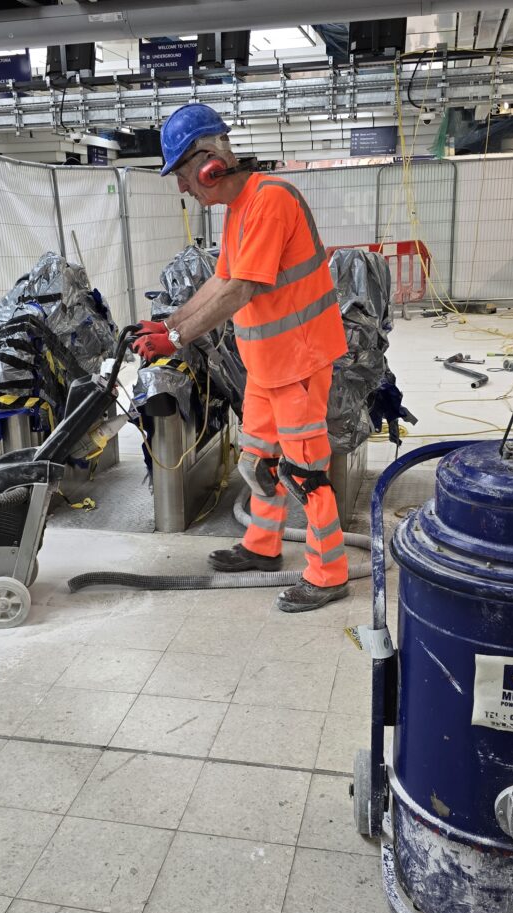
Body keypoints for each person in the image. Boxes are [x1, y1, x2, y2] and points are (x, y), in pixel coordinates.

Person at [131, 103, 349, 613]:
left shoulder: (270, 200)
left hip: (298, 360)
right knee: (259, 461)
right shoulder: (239, 210)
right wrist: (168, 324)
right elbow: (220, 280)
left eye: (185, 175)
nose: (184, 188)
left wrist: (177, 339)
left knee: (304, 471)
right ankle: (262, 547)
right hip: (266, 364)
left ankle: (329, 573)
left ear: (210, 162)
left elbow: (243, 289)